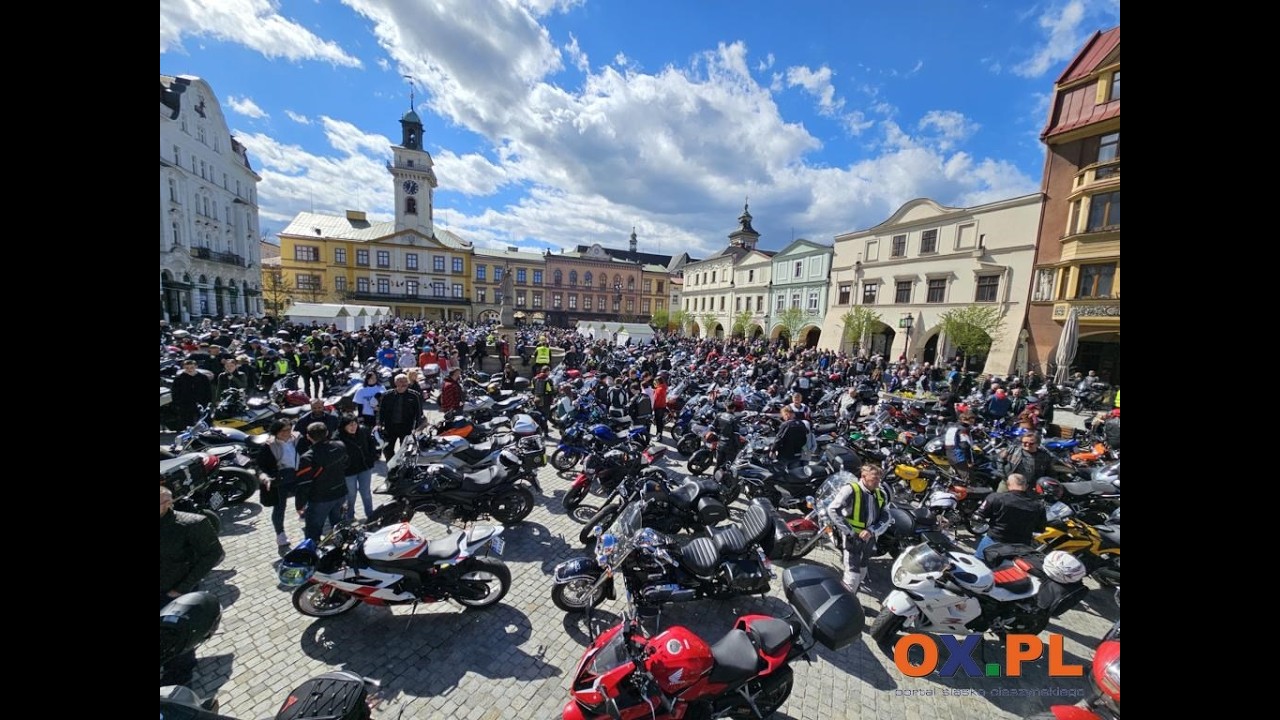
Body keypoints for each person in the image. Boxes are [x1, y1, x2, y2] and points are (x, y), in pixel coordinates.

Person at [159, 485, 224, 686]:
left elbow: (213, 554)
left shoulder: (192, 524)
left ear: (168, 503)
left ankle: (179, 679)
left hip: (174, 592)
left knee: (178, 635)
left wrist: (182, 588)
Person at [824, 465, 890, 592]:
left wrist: (872, 530)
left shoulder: (880, 493)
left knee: (863, 568)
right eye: (874, 479)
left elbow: (886, 515)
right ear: (863, 477)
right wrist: (850, 532)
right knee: (852, 575)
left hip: (869, 539)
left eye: (879, 479)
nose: (878, 482)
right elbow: (833, 509)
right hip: (853, 539)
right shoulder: (851, 490)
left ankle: (853, 594)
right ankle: (845, 602)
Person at [256, 419, 304, 556]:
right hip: (280, 478)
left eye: (289, 429)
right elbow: (260, 466)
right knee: (279, 507)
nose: (287, 433)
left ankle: (302, 512)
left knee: (306, 496)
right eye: (283, 430)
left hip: (297, 475)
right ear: (276, 432)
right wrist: (265, 478)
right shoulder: (269, 446)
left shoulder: (297, 438)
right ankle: (280, 534)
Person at [295, 422, 349, 542]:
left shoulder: (308, 457)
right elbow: (346, 464)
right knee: (340, 527)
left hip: (320, 499)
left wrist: (299, 504)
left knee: (313, 533)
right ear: (327, 433)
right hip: (340, 493)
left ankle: (313, 557)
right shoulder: (340, 446)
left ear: (308, 437)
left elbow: (303, 484)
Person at [973, 474, 1046, 556]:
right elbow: (1040, 529)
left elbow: (977, 517)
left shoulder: (996, 498)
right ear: (1026, 486)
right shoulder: (1038, 506)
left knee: (978, 564)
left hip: (993, 542)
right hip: (1020, 548)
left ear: (1008, 484)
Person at [338, 414, 378, 523]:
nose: (353, 427)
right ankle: (349, 516)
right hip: (349, 471)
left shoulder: (364, 431)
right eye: (350, 425)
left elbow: (371, 445)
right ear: (344, 426)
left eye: (355, 424)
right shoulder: (338, 437)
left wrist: (371, 458)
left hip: (364, 467)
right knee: (351, 494)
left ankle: (370, 515)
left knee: (366, 492)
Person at [378, 373, 424, 461]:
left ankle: (402, 466)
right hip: (390, 427)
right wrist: (379, 424)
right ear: (395, 383)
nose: (403, 384)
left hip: (406, 427)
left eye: (405, 381)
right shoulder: (387, 395)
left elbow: (419, 413)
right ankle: (391, 466)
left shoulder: (414, 395)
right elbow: (381, 411)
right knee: (388, 449)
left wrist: (416, 428)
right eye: (400, 382)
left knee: (406, 449)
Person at [171, 359, 213, 429]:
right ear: (184, 368)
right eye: (187, 368)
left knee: (204, 420)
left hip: (201, 401)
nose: (189, 370)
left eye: (192, 367)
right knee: (186, 422)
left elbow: (208, 391)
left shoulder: (203, 377)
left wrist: (208, 401)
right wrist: (177, 403)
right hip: (186, 403)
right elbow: (175, 392)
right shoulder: (179, 378)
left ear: (196, 367)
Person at [943, 411, 977, 479]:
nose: (973, 421)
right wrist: (969, 461)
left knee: (956, 478)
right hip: (959, 457)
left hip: (949, 455)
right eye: (971, 419)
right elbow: (965, 446)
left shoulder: (952, 426)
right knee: (967, 478)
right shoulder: (963, 429)